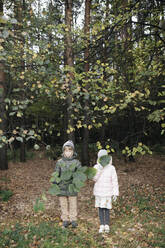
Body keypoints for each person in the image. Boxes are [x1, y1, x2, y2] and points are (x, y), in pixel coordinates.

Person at [53, 140, 81, 228]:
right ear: (63, 151)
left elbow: (79, 174)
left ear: (73, 151)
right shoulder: (60, 162)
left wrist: (77, 181)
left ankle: (73, 219)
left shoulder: (76, 162)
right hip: (62, 186)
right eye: (66, 150)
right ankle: (65, 219)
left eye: (70, 150)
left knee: (73, 203)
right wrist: (55, 183)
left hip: (72, 187)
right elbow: (56, 173)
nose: (68, 152)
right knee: (63, 204)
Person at [93, 149, 119, 233]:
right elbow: (94, 179)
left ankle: (107, 224)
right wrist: (99, 169)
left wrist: (115, 193)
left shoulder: (111, 168)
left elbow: (114, 181)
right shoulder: (96, 167)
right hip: (99, 192)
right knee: (100, 208)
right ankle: (102, 224)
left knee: (107, 208)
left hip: (108, 192)